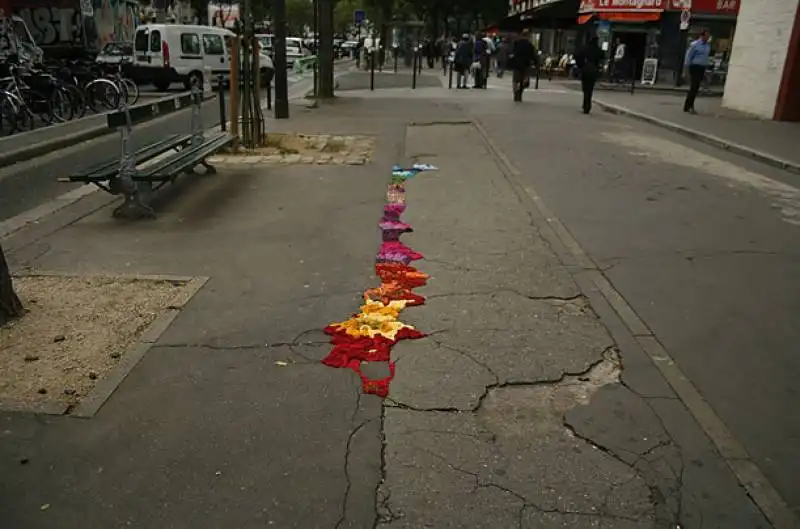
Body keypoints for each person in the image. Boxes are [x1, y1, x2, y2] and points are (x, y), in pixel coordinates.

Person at [684, 30, 711, 114]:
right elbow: (688, 57)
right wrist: (686, 69)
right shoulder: (695, 45)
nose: (707, 38)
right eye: (706, 36)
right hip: (695, 67)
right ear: (702, 36)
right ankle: (690, 106)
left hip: (702, 68)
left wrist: (706, 68)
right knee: (694, 87)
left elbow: (706, 57)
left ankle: (687, 106)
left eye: (708, 36)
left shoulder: (707, 46)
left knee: (696, 87)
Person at [575, 35, 603, 114]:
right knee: (590, 88)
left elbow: (577, 56)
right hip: (594, 69)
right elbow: (601, 57)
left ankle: (585, 105)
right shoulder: (597, 49)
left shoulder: (585, 48)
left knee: (585, 88)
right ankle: (588, 105)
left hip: (585, 68)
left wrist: (580, 66)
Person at [510, 29, 535, 102]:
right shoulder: (529, 45)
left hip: (517, 65)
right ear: (528, 36)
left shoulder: (517, 43)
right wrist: (535, 62)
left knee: (516, 80)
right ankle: (520, 92)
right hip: (526, 65)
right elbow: (532, 55)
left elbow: (513, 53)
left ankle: (516, 93)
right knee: (525, 81)